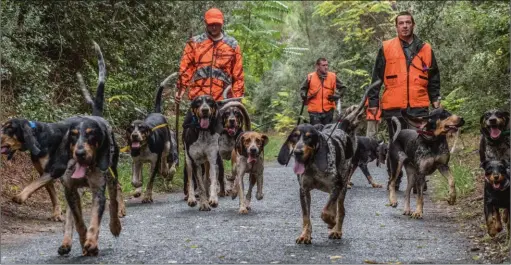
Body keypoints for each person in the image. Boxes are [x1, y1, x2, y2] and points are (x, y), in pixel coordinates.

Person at [367, 11, 441, 190]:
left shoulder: (425, 48)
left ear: (413, 25)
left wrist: (436, 99)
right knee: (395, 145)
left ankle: (418, 180)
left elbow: (434, 77)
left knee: (419, 144)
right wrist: (374, 103)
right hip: (394, 107)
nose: (405, 26)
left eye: (408, 22)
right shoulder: (386, 47)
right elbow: (376, 78)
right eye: (401, 23)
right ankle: (395, 178)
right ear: (396, 26)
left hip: (419, 106)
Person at [175, 7, 245, 124]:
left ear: (222, 23)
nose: (214, 27)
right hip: (198, 99)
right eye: (211, 24)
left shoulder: (232, 45)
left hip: (223, 101)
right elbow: (185, 68)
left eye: (217, 24)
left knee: (228, 133)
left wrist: (237, 100)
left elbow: (238, 75)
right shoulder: (195, 43)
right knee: (188, 127)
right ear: (205, 23)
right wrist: (181, 89)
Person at [300, 58, 347, 125]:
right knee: (316, 132)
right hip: (314, 110)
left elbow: (343, 88)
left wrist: (338, 95)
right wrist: (303, 95)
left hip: (329, 109)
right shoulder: (310, 77)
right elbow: (303, 89)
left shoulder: (333, 76)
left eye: (327, 65)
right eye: (323, 65)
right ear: (317, 66)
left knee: (327, 131)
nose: (326, 67)